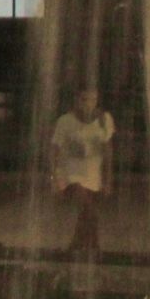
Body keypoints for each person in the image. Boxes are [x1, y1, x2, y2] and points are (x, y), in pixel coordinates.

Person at [49, 86, 114, 254]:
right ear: (77, 100)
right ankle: (94, 245)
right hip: (70, 175)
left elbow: (108, 152)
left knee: (85, 212)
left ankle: (77, 245)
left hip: (93, 175)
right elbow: (54, 150)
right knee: (89, 210)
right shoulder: (65, 121)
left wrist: (107, 180)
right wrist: (54, 178)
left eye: (93, 100)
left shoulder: (104, 119)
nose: (88, 104)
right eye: (84, 100)